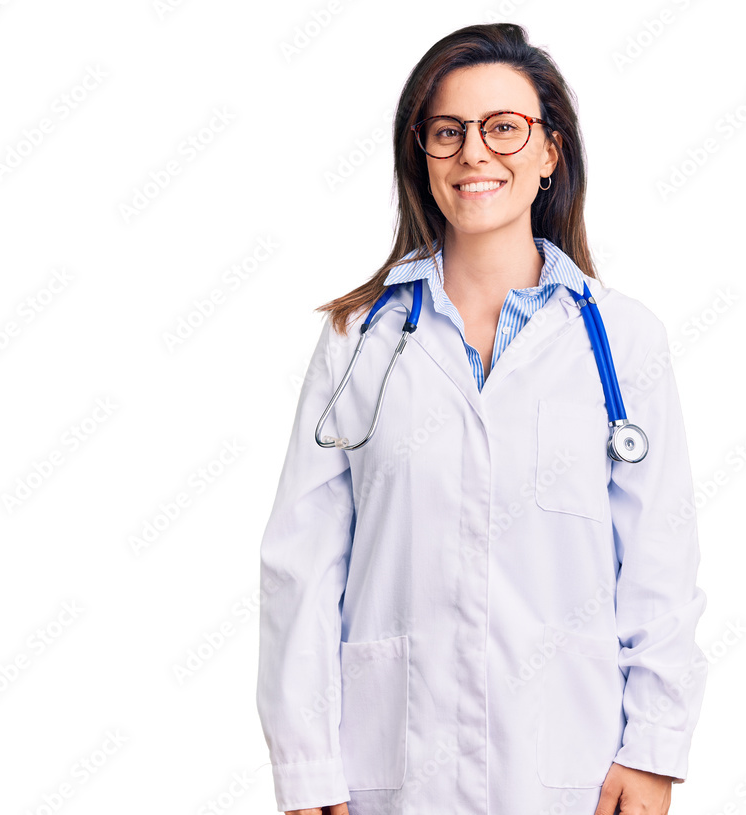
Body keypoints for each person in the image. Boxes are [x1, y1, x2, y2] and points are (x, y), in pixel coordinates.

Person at [256, 22, 707, 815]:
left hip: (575, 765)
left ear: (549, 153)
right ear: (420, 155)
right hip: (387, 765)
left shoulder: (623, 340)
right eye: (447, 131)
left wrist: (655, 748)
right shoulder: (358, 342)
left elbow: (658, 564)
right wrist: (306, 764)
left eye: (505, 127)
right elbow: (302, 566)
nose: (474, 153)